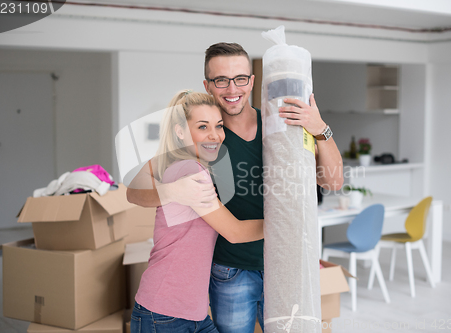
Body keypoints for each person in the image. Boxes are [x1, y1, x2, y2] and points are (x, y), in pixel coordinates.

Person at [127, 42, 344, 333]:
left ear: (252, 81)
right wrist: (170, 192)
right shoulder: (201, 138)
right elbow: (134, 192)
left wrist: (320, 130)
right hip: (229, 268)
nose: (232, 89)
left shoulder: (280, 124)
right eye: (221, 80)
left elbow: (333, 181)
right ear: (207, 84)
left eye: (240, 78)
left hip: (284, 262)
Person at [129, 90, 264, 333]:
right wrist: (288, 221)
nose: (215, 135)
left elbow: (134, 187)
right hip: (164, 313)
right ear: (180, 132)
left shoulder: (180, 163)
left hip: (192, 314)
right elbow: (235, 232)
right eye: (203, 127)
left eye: (219, 126)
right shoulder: (190, 171)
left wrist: (166, 192)